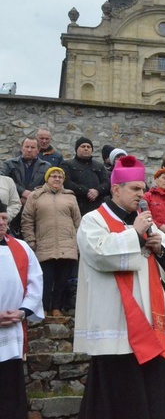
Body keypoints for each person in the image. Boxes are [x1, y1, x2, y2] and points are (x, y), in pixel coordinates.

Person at [74, 155, 165, 418]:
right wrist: (133, 234)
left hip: (149, 319)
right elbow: (98, 254)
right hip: (116, 321)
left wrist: (159, 250)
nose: (141, 194)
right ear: (116, 189)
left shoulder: (146, 221)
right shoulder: (93, 220)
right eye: (135, 189)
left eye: (143, 188)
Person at [0, 200, 44, 419]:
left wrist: (23, 311)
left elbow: (35, 281)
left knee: (11, 392)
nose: (1, 223)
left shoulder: (21, 247)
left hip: (12, 330)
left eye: (4, 218)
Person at [20, 167, 81, 316]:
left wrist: (78, 243)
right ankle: (44, 308)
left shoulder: (70, 197)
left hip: (67, 245)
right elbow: (27, 221)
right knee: (45, 280)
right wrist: (31, 241)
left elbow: (78, 222)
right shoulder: (35, 196)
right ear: (47, 178)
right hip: (44, 244)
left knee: (62, 281)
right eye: (53, 176)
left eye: (60, 177)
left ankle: (56, 308)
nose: (57, 179)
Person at [61, 137, 110, 216]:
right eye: (83, 146)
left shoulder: (99, 166)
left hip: (97, 207)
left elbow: (107, 183)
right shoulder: (67, 164)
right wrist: (86, 192)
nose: (86, 148)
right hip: (77, 205)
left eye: (88, 147)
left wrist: (97, 191)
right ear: (76, 149)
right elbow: (66, 182)